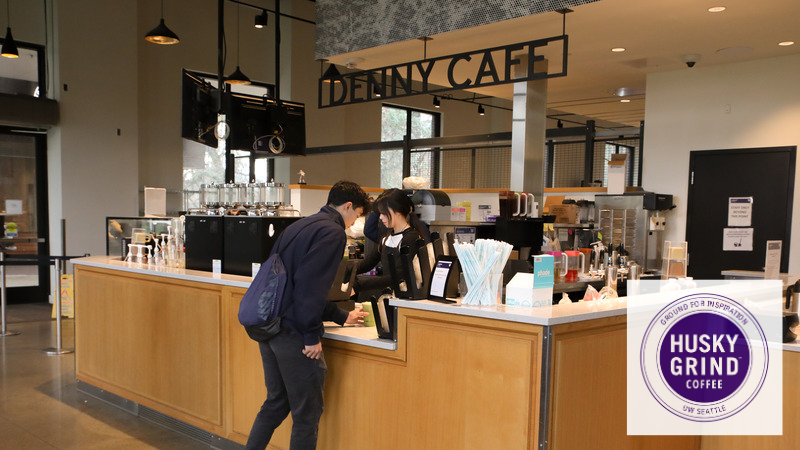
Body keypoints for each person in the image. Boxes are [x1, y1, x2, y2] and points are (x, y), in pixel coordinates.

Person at [245, 180, 371, 450]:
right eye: (357, 215)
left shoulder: (300, 225)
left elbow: (293, 285)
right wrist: (311, 335)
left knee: (276, 403)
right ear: (348, 207)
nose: (353, 223)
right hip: (294, 333)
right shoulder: (333, 233)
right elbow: (309, 289)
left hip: (270, 325)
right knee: (307, 414)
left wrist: (340, 315)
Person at [353, 189, 429, 298]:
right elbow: (367, 264)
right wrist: (342, 270)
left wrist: (358, 285)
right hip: (390, 297)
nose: (380, 217)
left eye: (384, 213)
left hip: (406, 300)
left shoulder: (411, 238)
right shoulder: (387, 238)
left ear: (398, 211)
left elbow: (399, 276)